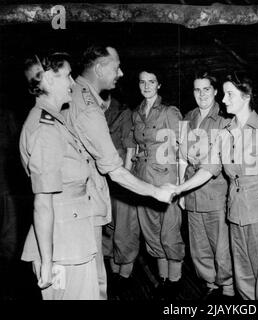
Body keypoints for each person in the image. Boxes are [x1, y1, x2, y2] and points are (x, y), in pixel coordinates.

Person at [61, 46, 175, 300]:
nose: (121, 73)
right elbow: (114, 168)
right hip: (79, 204)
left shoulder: (75, 94)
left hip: (75, 202)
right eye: (116, 67)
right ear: (100, 68)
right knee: (86, 288)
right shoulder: (89, 107)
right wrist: (156, 192)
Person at [172, 73, 258, 300]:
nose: (223, 100)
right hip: (235, 214)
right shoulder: (225, 135)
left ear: (247, 96)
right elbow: (208, 168)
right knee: (244, 280)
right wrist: (179, 189)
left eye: (229, 94)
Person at [19, 52, 101, 299]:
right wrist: (47, 261)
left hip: (71, 238)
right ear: (47, 80)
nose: (73, 83)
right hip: (62, 248)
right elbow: (43, 202)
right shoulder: (46, 128)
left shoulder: (56, 120)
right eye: (67, 76)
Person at [124, 69, 184, 299]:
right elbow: (136, 148)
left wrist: (181, 185)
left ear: (159, 85)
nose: (147, 86)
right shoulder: (136, 113)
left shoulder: (169, 112)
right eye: (142, 82)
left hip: (166, 180)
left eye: (151, 82)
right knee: (151, 233)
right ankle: (163, 280)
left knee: (169, 233)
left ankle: (175, 281)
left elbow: (182, 148)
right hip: (143, 180)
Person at [178, 71, 234, 300]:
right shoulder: (188, 117)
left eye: (206, 89)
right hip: (192, 192)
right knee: (199, 246)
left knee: (221, 246)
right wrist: (182, 190)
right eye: (197, 89)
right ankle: (210, 284)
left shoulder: (224, 118)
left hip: (215, 193)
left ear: (215, 91)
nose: (201, 94)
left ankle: (228, 287)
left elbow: (219, 163)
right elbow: (182, 156)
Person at [100, 90, 137, 296]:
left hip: (121, 177)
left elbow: (130, 150)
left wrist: (126, 181)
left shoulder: (123, 112)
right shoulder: (93, 111)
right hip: (103, 180)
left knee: (125, 230)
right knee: (108, 227)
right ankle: (114, 274)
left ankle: (125, 276)